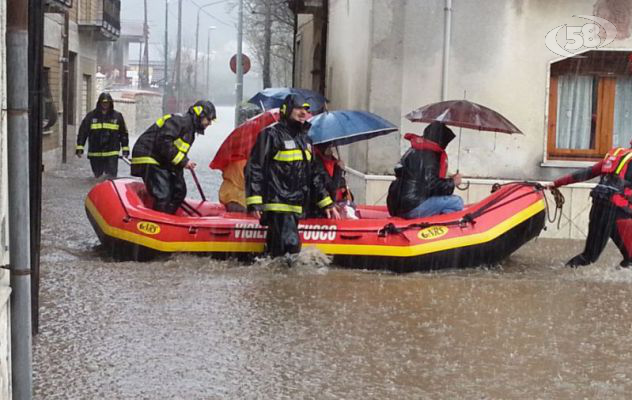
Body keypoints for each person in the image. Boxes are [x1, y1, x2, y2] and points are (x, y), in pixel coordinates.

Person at [245, 93, 340, 258]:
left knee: (278, 254)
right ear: (286, 109)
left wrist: (326, 203)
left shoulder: (305, 140)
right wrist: (254, 202)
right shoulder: (271, 135)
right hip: (278, 205)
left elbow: (314, 175)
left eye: (306, 109)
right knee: (290, 249)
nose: (304, 112)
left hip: (296, 206)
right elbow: (255, 168)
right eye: (298, 108)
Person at [549, 143, 632, 268]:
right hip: (618, 213)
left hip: (599, 207)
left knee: (588, 256)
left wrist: (555, 183)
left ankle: (561, 273)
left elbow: (587, 173)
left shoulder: (617, 156)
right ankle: (615, 281)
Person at [130, 100, 216, 214]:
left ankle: (169, 218)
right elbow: (163, 142)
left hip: (162, 159)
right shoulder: (179, 121)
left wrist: (181, 167)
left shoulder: (190, 131)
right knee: (163, 194)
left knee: (179, 191)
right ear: (200, 114)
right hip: (148, 156)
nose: (209, 123)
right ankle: (159, 223)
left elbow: (175, 154)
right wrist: (184, 161)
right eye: (209, 119)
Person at [387, 121, 463, 218]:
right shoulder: (429, 156)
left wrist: (447, 180)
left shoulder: (414, 150)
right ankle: (440, 229)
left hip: (397, 206)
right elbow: (431, 186)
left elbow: (421, 180)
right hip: (412, 207)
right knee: (457, 202)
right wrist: (452, 182)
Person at [76, 92, 129, 178]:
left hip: (112, 153)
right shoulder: (91, 116)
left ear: (110, 103)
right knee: (98, 177)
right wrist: (80, 147)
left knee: (111, 178)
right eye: (103, 103)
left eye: (107, 103)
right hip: (95, 153)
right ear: (99, 103)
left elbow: (123, 134)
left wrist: (125, 149)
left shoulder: (117, 116)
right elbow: (83, 132)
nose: (105, 105)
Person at [313, 143, 357, 219]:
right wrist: (338, 169)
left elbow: (344, 192)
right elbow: (331, 187)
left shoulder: (333, 161)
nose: (332, 150)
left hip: (333, 205)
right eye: (329, 146)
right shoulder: (317, 162)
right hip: (320, 211)